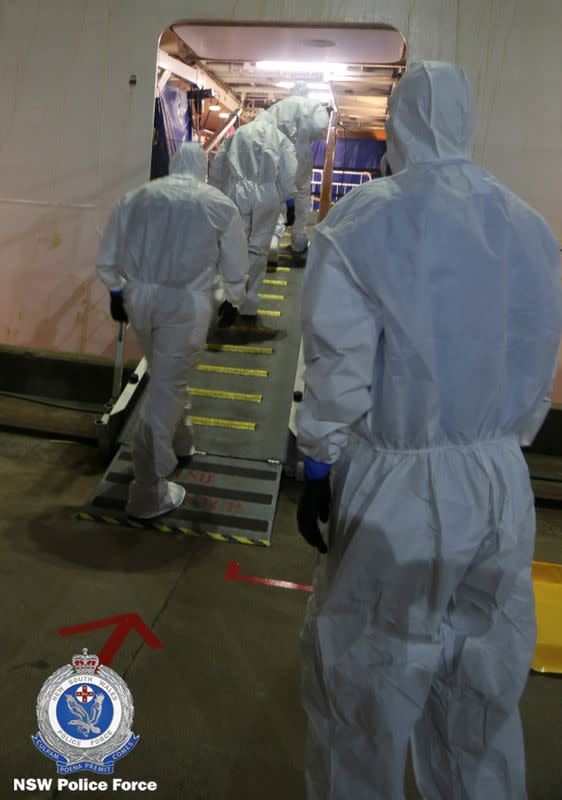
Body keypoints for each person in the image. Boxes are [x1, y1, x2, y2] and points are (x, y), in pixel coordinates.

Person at [296, 61, 561, 800]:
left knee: (365, 686)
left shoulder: (362, 221)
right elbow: (537, 350)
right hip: (500, 480)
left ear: (401, 118)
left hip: (398, 484)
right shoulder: (528, 224)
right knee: (480, 691)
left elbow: (339, 368)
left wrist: (317, 462)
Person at [97, 143, 249, 519]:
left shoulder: (137, 197)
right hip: (185, 305)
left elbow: (108, 249)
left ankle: (182, 439)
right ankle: (147, 491)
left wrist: (115, 290)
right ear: (202, 169)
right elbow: (235, 256)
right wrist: (234, 296)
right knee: (166, 387)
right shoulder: (215, 202)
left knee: (165, 375)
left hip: (141, 299)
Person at [209, 112, 297, 325]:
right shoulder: (279, 137)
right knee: (258, 249)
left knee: (235, 246)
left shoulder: (238, 134)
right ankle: (249, 305)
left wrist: (217, 191)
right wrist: (287, 199)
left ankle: (231, 297)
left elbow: (219, 165)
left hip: (238, 191)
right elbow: (289, 170)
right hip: (267, 194)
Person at [265, 82, 330, 254]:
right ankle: (299, 240)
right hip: (301, 154)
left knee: (277, 195)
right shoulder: (312, 106)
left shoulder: (276, 108)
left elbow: (265, 130)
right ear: (306, 92)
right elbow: (321, 127)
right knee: (302, 195)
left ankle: (273, 238)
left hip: (279, 153)